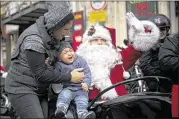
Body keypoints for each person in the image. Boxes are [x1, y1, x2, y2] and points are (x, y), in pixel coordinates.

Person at [5, 4, 84, 118]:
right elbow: (40, 74)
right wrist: (70, 77)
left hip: (40, 88)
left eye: (70, 29)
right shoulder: (33, 40)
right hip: (21, 88)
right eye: (66, 29)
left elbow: (65, 52)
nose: (68, 33)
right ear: (55, 26)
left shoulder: (54, 35)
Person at [76, 12, 160, 100]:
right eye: (95, 40)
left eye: (103, 40)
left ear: (108, 43)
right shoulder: (80, 61)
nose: (100, 42)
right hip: (90, 106)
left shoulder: (117, 58)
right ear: (88, 42)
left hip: (117, 106)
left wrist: (141, 31)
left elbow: (137, 48)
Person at [52, 42, 95, 119]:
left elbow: (87, 72)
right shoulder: (59, 65)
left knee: (82, 101)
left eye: (71, 51)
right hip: (68, 88)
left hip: (80, 89)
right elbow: (56, 76)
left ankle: (83, 114)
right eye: (65, 52)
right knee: (64, 96)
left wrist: (86, 83)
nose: (69, 54)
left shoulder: (80, 60)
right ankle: (61, 110)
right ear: (59, 57)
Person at [139, 14, 171, 91]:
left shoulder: (172, 42)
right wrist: (159, 74)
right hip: (157, 82)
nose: (160, 32)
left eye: (163, 29)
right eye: (157, 30)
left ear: (167, 30)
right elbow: (145, 65)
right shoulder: (148, 44)